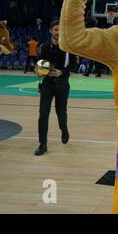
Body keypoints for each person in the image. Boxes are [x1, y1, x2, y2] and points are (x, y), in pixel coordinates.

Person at [34, 20, 76, 155]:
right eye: (56, 30)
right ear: (51, 31)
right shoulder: (45, 47)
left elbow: (73, 65)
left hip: (62, 84)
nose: (58, 32)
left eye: (60, 30)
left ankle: (64, 130)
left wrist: (61, 72)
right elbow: (40, 65)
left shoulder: (68, 47)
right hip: (47, 84)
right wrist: (41, 73)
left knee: (61, 112)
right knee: (43, 114)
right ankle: (42, 144)